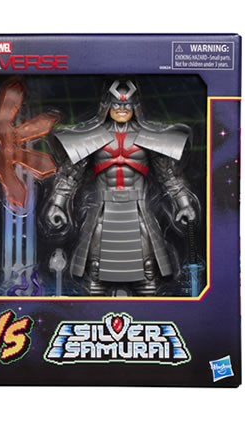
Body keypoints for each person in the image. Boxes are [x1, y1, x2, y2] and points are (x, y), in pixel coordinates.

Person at [43, 79, 197, 296]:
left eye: (126, 104)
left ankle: (151, 310)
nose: (122, 109)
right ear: (106, 106)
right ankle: (93, 311)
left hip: (139, 210)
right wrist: (58, 204)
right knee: (95, 267)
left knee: (147, 267)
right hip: (102, 210)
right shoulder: (93, 137)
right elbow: (71, 175)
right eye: (116, 104)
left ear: (135, 106)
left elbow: (168, 176)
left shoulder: (149, 138)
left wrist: (184, 204)